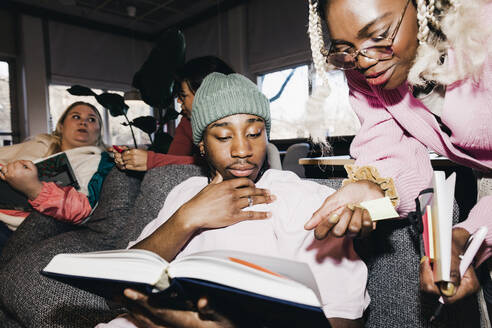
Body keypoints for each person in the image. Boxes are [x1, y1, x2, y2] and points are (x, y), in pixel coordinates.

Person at [97, 73, 369, 328]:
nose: (242, 150)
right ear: (201, 144)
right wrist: (187, 218)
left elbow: (344, 318)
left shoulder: (301, 199)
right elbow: (118, 288)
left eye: (254, 134)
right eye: (224, 136)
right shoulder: (184, 193)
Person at [304, 0, 491, 304]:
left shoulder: (485, 27)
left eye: (378, 36)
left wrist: (474, 230)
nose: (363, 61)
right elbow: (389, 151)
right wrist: (375, 187)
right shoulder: (366, 74)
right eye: (346, 48)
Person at [0, 101, 114, 251]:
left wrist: (35, 189)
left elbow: (83, 210)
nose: (83, 122)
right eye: (76, 117)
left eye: (91, 119)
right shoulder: (38, 144)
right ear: (61, 126)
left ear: (99, 131)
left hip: (22, 229)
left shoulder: (99, 161)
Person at [111, 56, 234, 171]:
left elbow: (223, 164)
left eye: (183, 95)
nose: (179, 101)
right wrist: (132, 158)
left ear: (206, 95)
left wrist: (151, 161)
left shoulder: (238, 121)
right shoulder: (187, 121)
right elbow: (173, 161)